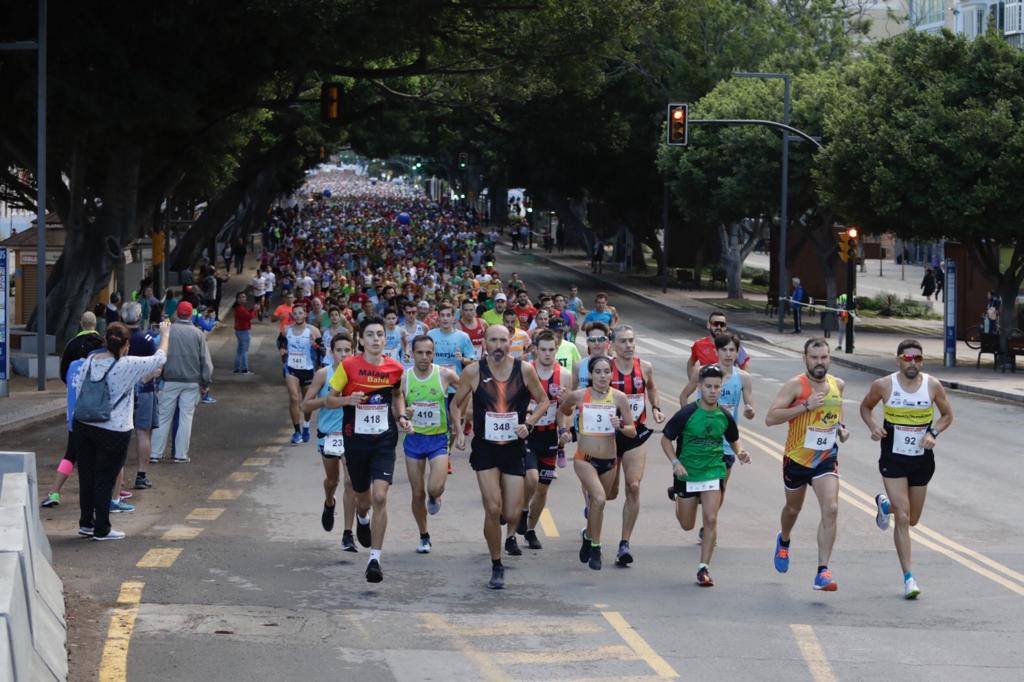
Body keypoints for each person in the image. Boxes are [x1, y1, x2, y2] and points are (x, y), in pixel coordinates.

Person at [450, 324, 550, 589]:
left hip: (514, 447)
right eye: (493, 340)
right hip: (485, 448)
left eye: (503, 340)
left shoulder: (524, 370)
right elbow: (455, 404)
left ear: (510, 343)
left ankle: (506, 527)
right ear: (484, 343)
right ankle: (496, 563)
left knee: (511, 512)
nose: (498, 346)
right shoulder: (473, 371)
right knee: (493, 508)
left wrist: (529, 423)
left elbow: (543, 401)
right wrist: (459, 431)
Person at [859, 339, 954, 599]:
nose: (912, 363)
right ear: (898, 359)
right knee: (903, 518)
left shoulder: (932, 385)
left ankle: (885, 505)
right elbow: (866, 407)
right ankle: (909, 578)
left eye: (918, 358)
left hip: (922, 459)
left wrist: (933, 432)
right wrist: (874, 426)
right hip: (893, 457)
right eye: (907, 358)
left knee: (912, 519)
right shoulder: (884, 385)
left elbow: (947, 415)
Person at [325, 316, 408, 583]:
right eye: (370, 334)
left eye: (379, 334)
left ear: (386, 339)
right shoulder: (348, 366)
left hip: (384, 440)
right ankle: (362, 518)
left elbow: (397, 395)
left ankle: (375, 558)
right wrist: (348, 399)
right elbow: (329, 399)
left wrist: (402, 416)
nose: (375, 339)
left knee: (380, 497)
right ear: (360, 340)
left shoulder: (395, 368)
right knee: (363, 498)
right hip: (356, 441)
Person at [765, 338, 850, 592]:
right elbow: (770, 418)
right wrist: (804, 406)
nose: (820, 362)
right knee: (793, 509)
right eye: (814, 358)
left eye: (824, 357)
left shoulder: (838, 385)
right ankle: (785, 539)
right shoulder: (795, 386)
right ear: (805, 358)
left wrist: (841, 428)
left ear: (829, 358)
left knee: (831, 508)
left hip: (825, 458)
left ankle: (822, 571)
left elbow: (836, 411)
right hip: (797, 459)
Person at [74, 320, 170, 540]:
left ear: (106, 341)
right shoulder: (127, 364)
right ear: (126, 345)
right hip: (114, 429)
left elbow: (81, 389)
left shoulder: (90, 360)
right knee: (105, 477)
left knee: (87, 476)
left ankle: (86, 523)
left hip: (84, 425)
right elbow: (160, 358)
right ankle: (102, 528)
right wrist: (165, 333)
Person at [662, 365, 751, 586]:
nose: (713, 391)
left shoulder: (725, 416)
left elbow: (733, 438)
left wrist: (740, 452)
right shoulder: (687, 414)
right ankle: (677, 497)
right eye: (708, 386)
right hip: (688, 472)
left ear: (722, 389)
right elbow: (665, 440)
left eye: (717, 387)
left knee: (711, 518)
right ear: (700, 387)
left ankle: (704, 568)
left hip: (713, 470)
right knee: (687, 524)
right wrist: (675, 462)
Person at [669, 334, 755, 543]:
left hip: (725, 443)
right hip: (696, 443)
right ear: (716, 352)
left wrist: (750, 410)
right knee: (694, 499)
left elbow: (749, 404)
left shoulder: (743, 377)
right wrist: (688, 422)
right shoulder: (702, 373)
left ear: (737, 353)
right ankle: (682, 499)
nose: (728, 354)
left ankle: (708, 525)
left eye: (732, 350)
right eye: (724, 350)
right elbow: (684, 395)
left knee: (720, 487)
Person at [558, 356, 636, 571]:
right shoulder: (580, 395)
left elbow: (632, 430)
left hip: (610, 460)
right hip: (585, 459)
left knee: (598, 504)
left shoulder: (619, 398)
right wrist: (564, 431)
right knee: (599, 499)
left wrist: (620, 425)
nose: (603, 376)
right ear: (590, 375)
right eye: (598, 372)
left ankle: (587, 536)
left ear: (612, 374)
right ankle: (596, 546)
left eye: (606, 372)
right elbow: (563, 410)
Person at [609, 324, 666, 567]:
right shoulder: (604, 369)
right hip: (609, 435)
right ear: (613, 345)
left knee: (633, 486)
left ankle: (624, 543)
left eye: (631, 340)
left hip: (636, 432)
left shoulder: (644, 367)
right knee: (608, 493)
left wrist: (655, 407)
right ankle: (593, 510)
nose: (629, 345)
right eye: (623, 341)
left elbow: (651, 388)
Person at [508, 331, 569, 552]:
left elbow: (564, 409)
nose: (547, 354)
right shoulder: (525, 370)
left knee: (542, 490)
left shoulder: (564, 375)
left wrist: (564, 429)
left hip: (549, 436)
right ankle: (516, 525)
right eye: (543, 349)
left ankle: (530, 530)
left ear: (557, 348)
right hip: (527, 434)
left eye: (551, 349)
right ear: (535, 349)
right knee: (530, 479)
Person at [301, 333, 361, 552]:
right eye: (339, 350)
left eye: (348, 350)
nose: (343, 355)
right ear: (331, 352)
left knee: (351, 483)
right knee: (332, 481)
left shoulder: (358, 373)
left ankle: (348, 533)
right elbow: (305, 406)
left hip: (351, 435)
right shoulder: (323, 374)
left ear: (353, 351)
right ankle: (329, 502)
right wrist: (327, 401)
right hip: (328, 435)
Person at [401, 335, 459, 553]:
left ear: (433, 354)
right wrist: (402, 415)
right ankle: (424, 535)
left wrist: (459, 416)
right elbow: (395, 401)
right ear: (412, 353)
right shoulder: (404, 377)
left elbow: (467, 389)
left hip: (438, 440)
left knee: (433, 487)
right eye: (420, 353)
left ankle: (436, 495)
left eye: (428, 353)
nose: (424, 357)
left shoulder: (444, 374)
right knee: (417, 493)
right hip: (414, 439)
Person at [150, 302, 212, 464]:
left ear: (177, 313)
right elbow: (205, 362)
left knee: (163, 417)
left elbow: (158, 353)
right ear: (191, 315)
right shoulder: (198, 334)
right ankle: (180, 455)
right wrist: (205, 382)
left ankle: (155, 453)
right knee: (186, 418)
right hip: (191, 382)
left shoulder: (168, 331)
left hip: (169, 380)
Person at [122, 302, 160, 494]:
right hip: (145, 390)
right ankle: (141, 475)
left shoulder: (118, 337)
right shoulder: (147, 339)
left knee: (119, 432)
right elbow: (156, 367)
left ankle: (117, 476)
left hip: (121, 390)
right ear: (139, 317)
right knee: (143, 432)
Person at [278, 303, 322, 445]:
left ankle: (306, 427)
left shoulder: (313, 331)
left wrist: (315, 344)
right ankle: (297, 431)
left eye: (300, 313)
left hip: (308, 369)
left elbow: (323, 350)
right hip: (291, 368)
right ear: (292, 316)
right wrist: (282, 351)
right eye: (295, 313)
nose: (297, 316)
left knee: (307, 402)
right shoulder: (286, 330)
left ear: (305, 314)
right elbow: (281, 343)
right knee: (294, 398)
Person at [683, 312, 750, 397]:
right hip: (707, 392)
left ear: (725, 327)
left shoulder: (734, 345)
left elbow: (744, 367)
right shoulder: (699, 345)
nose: (718, 327)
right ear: (708, 325)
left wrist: (739, 387)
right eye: (715, 324)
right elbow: (691, 363)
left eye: (722, 325)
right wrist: (694, 382)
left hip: (726, 393)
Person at [60, 311, 104, 385]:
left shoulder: (71, 344)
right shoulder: (103, 343)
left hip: (76, 387)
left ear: (81, 324)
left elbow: (64, 371)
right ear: (95, 324)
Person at [233, 292, 254, 374]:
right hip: (243, 331)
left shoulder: (240, 307)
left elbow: (247, 314)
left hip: (240, 331)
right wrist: (254, 310)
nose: (244, 298)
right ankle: (244, 369)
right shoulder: (240, 308)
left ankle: (237, 368)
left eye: (244, 296)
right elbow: (249, 317)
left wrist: (252, 310)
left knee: (239, 351)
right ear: (238, 299)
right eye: (241, 297)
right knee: (244, 351)